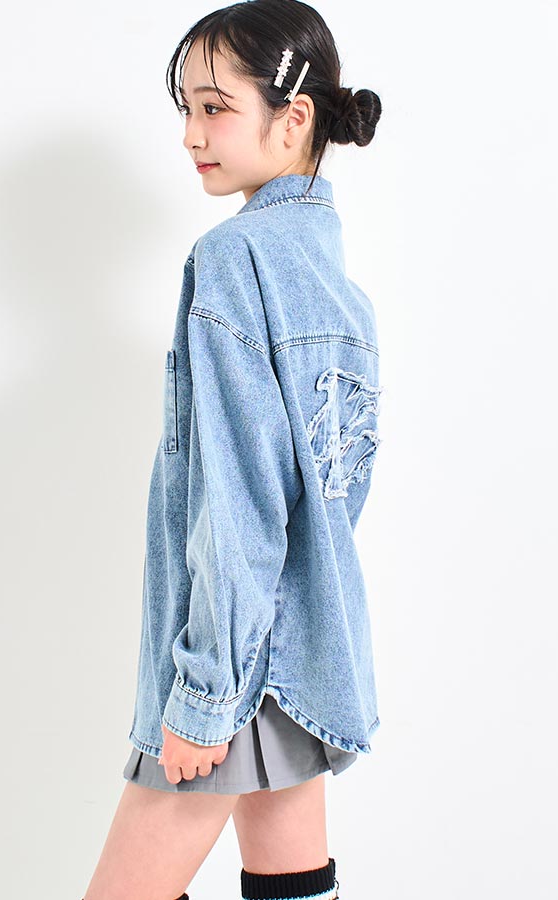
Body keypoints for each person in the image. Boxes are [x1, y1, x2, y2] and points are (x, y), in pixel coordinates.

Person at [82, 2, 384, 898]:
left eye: (215, 107)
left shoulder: (235, 258)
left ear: (294, 119)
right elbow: (333, 492)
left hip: (237, 662)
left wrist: (208, 689)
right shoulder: (334, 278)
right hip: (309, 652)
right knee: (291, 884)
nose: (190, 134)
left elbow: (243, 498)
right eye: (186, 108)